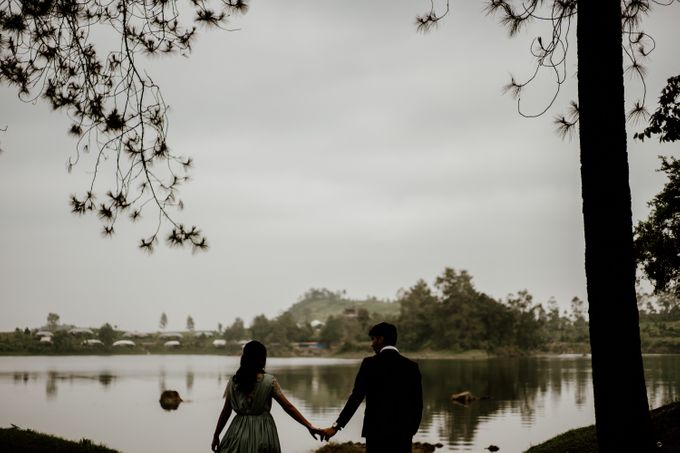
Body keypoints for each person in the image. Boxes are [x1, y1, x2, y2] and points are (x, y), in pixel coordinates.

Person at [320, 322, 423, 452]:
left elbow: (356, 398)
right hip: (403, 434)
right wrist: (411, 430)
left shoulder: (369, 364)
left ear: (381, 339)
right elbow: (417, 404)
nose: (372, 344)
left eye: (373, 339)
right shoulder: (411, 367)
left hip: (375, 432)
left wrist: (336, 426)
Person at [212, 340, 321, 452]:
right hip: (263, 432)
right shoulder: (269, 381)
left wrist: (216, 435)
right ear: (262, 359)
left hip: (237, 432)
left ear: (244, 358)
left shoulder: (234, 381)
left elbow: (226, 411)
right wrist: (308, 426)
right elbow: (288, 407)